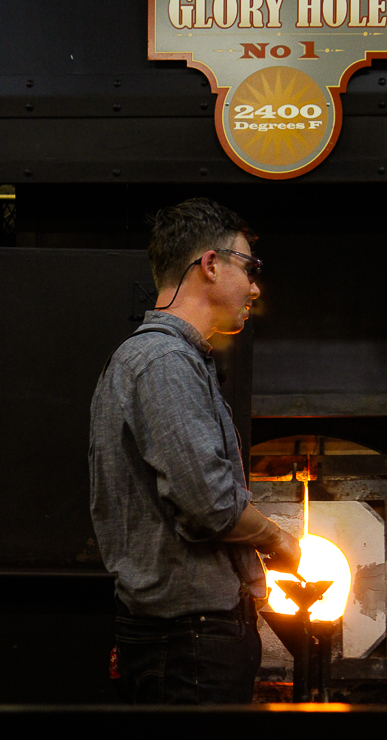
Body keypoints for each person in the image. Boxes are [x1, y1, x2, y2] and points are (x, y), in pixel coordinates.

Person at [89, 197, 301, 704]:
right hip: (189, 642)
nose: (254, 287)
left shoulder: (164, 360)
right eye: (249, 269)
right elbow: (209, 506)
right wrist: (279, 541)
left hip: (185, 639)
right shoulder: (163, 362)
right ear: (210, 264)